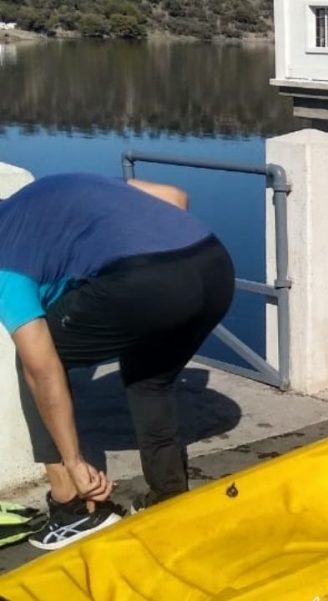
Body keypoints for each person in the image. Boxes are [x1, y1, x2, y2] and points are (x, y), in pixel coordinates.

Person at [0, 173, 235, 550]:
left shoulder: (5, 264)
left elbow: (42, 370)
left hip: (148, 283)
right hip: (215, 266)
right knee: (148, 375)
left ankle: (73, 507)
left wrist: (75, 460)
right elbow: (175, 193)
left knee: (36, 361)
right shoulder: (54, 188)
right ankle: (169, 497)